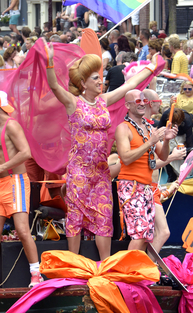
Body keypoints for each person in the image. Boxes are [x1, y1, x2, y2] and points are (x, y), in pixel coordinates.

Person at [41, 44, 154, 260]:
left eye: (100, 77)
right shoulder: (73, 103)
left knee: (104, 217)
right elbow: (54, 85)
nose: (100, 81)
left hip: (101, 171)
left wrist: (151, 67)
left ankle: (104, 265)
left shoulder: (103, 101)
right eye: (95, 78)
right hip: (79, 171)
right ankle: (73, 264)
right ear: (83, 83)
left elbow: (129, 84)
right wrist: (49, 61)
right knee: (75, 217)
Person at [0, 91, 41, 288]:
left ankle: (36, 274)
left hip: (16, 182)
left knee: (23, 230)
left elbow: (26, 152)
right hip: (0, 183)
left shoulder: (11, 125)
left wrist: (0, 168)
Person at [115, 89, 175, 261]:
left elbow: (162, 156)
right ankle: (126, 273)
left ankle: (137, 272)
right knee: (140, 234)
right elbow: (125, 158)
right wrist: (150, 142)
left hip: (147, 188)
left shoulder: (148, 128)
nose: (142, 102)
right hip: (131, 186)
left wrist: (168, 140)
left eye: (143, 100)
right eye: (137, 100)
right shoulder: (123, 128)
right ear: (127, 105)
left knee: (146, 235)